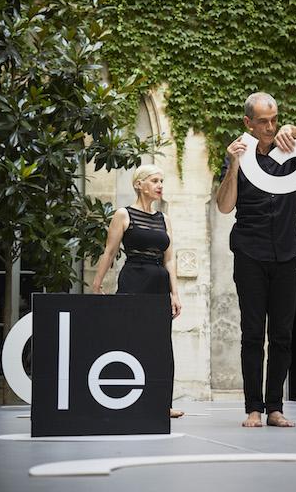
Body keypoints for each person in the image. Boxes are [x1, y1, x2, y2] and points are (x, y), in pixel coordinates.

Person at [216, 92, 296, 428]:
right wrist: (233, 165)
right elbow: (224, 206)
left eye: (274, 119)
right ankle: (253, 407)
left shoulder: (289, 148)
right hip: (249, 252)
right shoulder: (239, 153)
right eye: (263, 121)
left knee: (282, 335)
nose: (270, 127)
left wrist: (295, 130)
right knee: (252, 333)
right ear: (248, 122)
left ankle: (275, 408)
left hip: (287, 251)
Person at [92, 164, 184, 419]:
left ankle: (163, 404)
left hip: (159, 283)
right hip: (134, 279)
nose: (160, 185)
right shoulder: (123, 214)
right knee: (128, 338)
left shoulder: (164, 219)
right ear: (139, 184)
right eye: (154, 180)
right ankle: (123, 397)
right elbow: (110, 252)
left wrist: (175, 294)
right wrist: (97, 284)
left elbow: (169, 259)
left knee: (161, 345)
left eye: (161, 181)